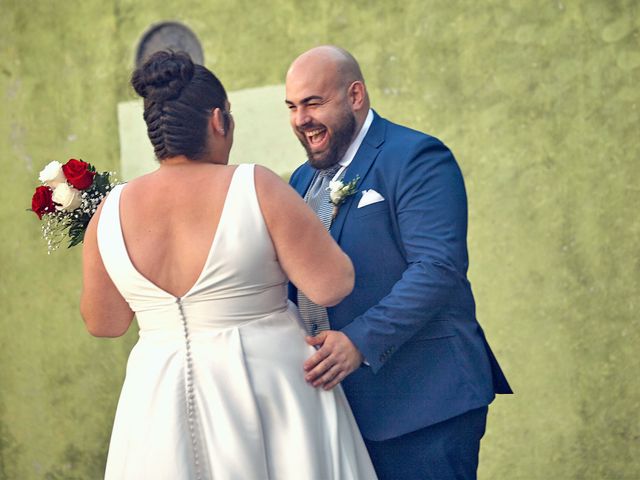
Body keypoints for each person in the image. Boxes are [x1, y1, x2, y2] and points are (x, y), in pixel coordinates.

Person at [80, 50, 377, 480]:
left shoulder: (109, 210)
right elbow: (332, 283)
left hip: (158, 400)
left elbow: (104, 322)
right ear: (219, 120)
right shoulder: (253, 185)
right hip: (267, 389)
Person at [285, 45, 513, 480]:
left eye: (314, 102)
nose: (301, 119)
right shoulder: (300, 180)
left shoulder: (416, 157)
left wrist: (359, 341)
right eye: (293, 106)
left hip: (424, 406)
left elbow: (437, 268)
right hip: (340, 412)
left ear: (355, 95)